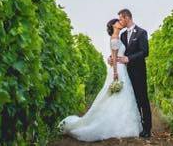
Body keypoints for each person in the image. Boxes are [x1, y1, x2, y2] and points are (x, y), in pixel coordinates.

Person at [59, 18, 142, 141]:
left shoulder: (119, 37)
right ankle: (114, 124)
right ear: (114, 25)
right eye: (118, 22)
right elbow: (113, 56)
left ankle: (120, 123)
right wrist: (114, 72)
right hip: (118, 69)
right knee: (116, 95)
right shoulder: (114, 37)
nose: (120, 23)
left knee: (121, 96)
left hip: (122, 68)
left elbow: (116, 55)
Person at [112, 8, 152, 138]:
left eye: (121, 18)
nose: (120, 21)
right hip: (126, 73)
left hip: (139, 71)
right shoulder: (123, 35)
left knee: (143, 99)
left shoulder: (141, 33)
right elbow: (120, 51)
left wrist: (129, 58)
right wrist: (112, 58)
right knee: (133, 99)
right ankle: (137, 125)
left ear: (127, 17)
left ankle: (147, 128)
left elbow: (145, 52)